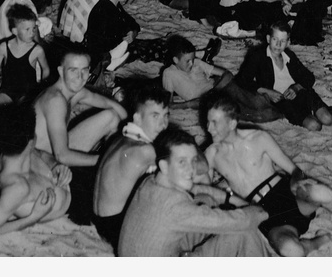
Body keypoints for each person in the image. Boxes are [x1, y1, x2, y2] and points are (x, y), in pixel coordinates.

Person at [204, 96, 332, 256]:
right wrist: (223, 190)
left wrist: (296, 181)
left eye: (214, 123)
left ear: (232, 123)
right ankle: (317, 241)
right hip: (261, 212)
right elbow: (205, 194)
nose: (209, 128)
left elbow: (295, 170)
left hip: (284, 194)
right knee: (292, 251)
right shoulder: (211, 154)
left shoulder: (258, 138)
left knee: (319, 192)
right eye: (208, 122)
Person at [118, 126, 273, 257]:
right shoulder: (175, 208)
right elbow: (237, 221)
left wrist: (228, 198)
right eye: (182, 162)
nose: (191, 169)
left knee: (207, 200)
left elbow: (196, 188)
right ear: (164, 166)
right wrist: (261, 212)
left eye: (193, 161)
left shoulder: (151, 182)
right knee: (243, 231)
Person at [235, 21, 332, 131]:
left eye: (282, 41)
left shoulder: (289, 56)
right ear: (268, 38)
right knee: (315, 126)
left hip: (302, 94)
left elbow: (309, 77)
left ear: (288, 42)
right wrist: (267, 91)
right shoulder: (258, 56)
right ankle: (310, 115)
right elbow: (242, 80)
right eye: (275, 39)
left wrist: (296, 88)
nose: (278, 44)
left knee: (328, 120)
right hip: (283, 102)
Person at [91, 87, 171, 252]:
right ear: (138, 119)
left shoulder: (120, 138)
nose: (163, 124)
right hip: (116, 229)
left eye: (166, 116)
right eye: (155, 116)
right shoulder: (145, 151)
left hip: (100, 221)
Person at [0, 103, 72, 234]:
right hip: (77, 209)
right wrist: (33, 217)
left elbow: (41, 154)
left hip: (71, 182)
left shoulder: (16, 148)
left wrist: (56, 165)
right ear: (31, 140)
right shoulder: (17, 188)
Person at [32, 48, 126, 168]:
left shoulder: (75, 92)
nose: (80, 77)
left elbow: (112, 105)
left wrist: (132, 132)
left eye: (84, 70)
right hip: (41, 163)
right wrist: (107, 159)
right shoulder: (55, 100)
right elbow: (62, 156)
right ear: (61, 71)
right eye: (73, 70)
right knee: (112, 160)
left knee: (111, 116)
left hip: (55, 153)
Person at [162, 36, 276, 122]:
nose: (191, 63)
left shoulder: (197, 63)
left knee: (257, 103)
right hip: (206, 101)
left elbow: (228, 74)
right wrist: (188, 104)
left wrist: (215, 90)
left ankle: (276, 102)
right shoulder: (169, 74)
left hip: (219, 89)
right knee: (258, 115)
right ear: (175, 60)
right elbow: (169, 103)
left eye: (192, 58)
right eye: (187, 61)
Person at [85, 0, 168, 70]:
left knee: (160, 44)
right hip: (112, 54)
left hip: (122, 45)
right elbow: (102, 43)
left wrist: (133, 33)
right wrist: (128, 36)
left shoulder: (114, 5)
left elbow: (132, 23)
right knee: (157, 50)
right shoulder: (103, 11)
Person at [0, 5, 49, 107]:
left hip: (27, 94)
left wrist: (41, 89)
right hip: (7, 92)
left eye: (33, 28)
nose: (32, 33)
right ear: (15, 31)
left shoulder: (37, 50)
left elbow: (45, 69)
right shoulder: (4, 47)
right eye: (27, 29)